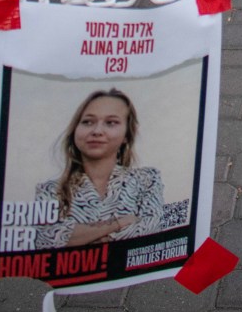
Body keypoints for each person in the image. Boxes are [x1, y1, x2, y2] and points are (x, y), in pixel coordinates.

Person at [34, 89, 163, 248]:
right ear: (75, 130)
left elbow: (151, 231)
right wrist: (117, 223)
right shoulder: (50, 191)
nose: (96, 131)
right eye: (88, 122)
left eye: (111, 123)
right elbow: (46, 239)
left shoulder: (147, 180)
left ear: (126, 136)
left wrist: (81, 237)